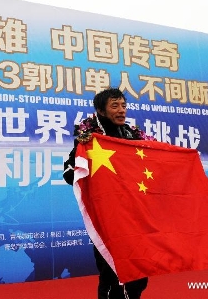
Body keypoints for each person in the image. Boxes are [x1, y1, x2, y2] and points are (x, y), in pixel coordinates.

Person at [63, 88, 149, 299]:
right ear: (101, 111)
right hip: (107, 220)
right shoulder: (88, 139)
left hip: (135, 216)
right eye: (115, 106)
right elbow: (69, 173)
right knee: (112, 276)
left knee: (139, 274)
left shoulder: (132, 135)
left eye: (123, 106)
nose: (121, 111)